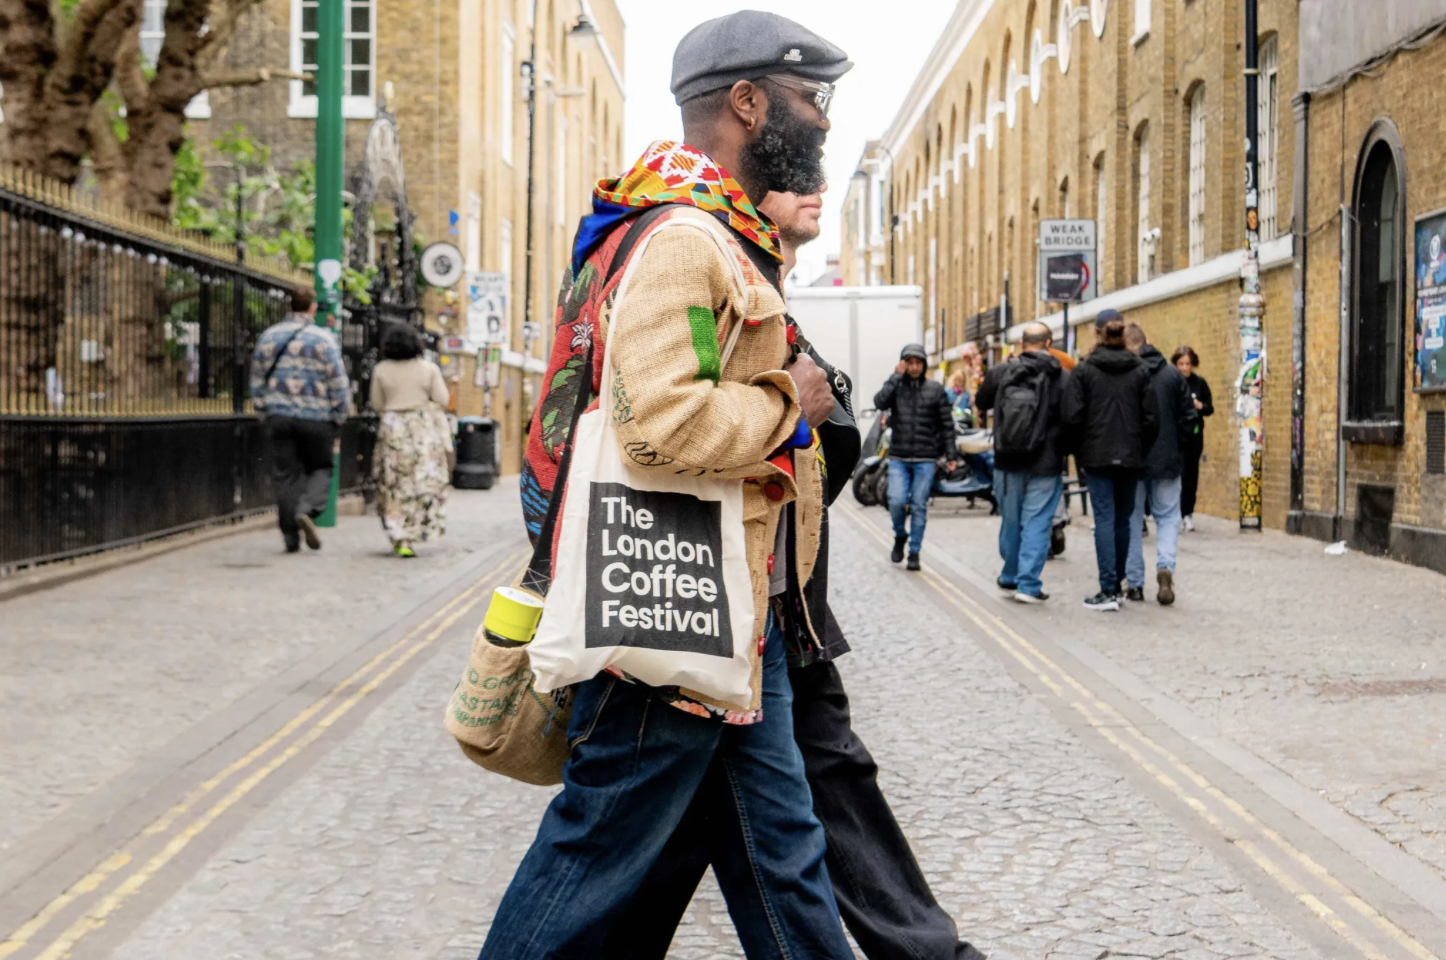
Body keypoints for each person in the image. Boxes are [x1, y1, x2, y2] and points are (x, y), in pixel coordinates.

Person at [489, 13, 854, 959]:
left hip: (730, 610)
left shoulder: (705, 228)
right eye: (810, 98)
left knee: (784, 861)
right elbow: (660, 423)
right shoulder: (687, 238)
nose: (822, 120)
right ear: (748, 101)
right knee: (590, 855)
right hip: (671, 600)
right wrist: (792, 406)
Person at [601, 188, 985, 960]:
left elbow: (829, 440)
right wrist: (795, 413)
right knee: (632, 843)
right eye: (796, 170)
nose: (815, 184)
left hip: (773, 614)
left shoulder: (760, 289)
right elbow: (670, 427)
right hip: (707, 608)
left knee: (750, 819)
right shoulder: (702, 264)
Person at [1061, 311, 1158, 612]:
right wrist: (1139, 448)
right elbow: (1151, 419)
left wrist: (1080, 452)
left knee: (1104, 519)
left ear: (1097, 333)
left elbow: (1072, 417)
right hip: (1130, 456)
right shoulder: (1140, 370)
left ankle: (1108, 589)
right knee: (1123, 520)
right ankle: (1117, 586)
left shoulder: (1084, 370)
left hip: (1097, 457)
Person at [249, 287, 350, 553]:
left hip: (280, 416)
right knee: (321, 467)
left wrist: (262, 411)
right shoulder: (323, 339)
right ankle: (307, 510)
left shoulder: (269, 337)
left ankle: (290, 537)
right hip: (317, 418)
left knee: (286, 476)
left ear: (290, 306)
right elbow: (337, 380)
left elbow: (256, 379)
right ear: (312, 307)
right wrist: (340, 413)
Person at [974, 322, 1069, 604]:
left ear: (1021, 343)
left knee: (1011, 520)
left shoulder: (1003, 371)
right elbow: (1073, 416)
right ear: (1048, 343)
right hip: (1046, 462)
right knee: (1037, 522)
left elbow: (981, 401)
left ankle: (1010, 575)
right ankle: (1028, 585)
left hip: (1007, 459)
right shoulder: (1062, 376)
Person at [1123, 324, 1197, 605]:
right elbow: (1189, 418)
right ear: (1147, 342)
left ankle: (1134, 583)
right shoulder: (1172, 375)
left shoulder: (1127, 375)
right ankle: (1165, 566)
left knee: (1132, 519)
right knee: (1167, 517)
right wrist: (1177, 446)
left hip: (1132, 460)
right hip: (1167, 458)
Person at [369, 324, 451, 558]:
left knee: (393, 483)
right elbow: (443, 399)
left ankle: (399, 535)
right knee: (422, 482)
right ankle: (414, 531)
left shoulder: (381, 370)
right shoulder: (428, 369)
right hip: (421, 430)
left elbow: (377, 403)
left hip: (392, 429)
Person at [874, 344, 955, 571]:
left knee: (919, 506)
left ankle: (914, 552)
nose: (914, 367)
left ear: (924, 365)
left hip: (926, 459)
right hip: (899, 457)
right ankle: (900, 535)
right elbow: (879, 402)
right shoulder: (896, 386)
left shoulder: (935, 390)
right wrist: (895, 376)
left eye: (918, 363)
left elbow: (947, 425)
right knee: (896, 501)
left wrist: (951, 455)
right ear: (903, 364)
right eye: (910, 362)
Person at [1171, 345, 1213, 530]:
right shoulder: (1172, 382)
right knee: (1176, 474)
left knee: (1191, 475)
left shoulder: (1199, 383)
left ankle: (1187, 512)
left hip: (1194, 436)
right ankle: (1175, 512)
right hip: (1175, 436)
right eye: (1181, 364)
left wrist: (1200, 405)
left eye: (1188, 364)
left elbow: (1210, 408)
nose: (1185, 368)